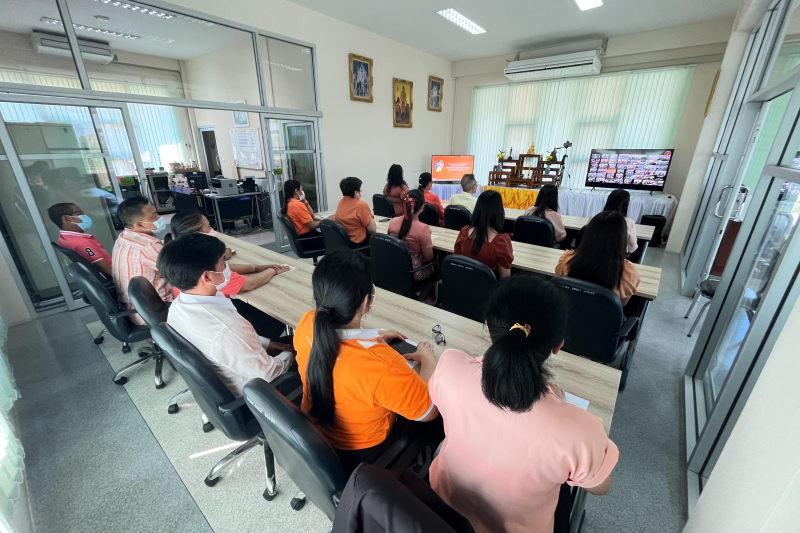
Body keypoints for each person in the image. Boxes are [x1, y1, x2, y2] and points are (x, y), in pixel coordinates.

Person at [429, 275, 618, 533]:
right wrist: (559, 407)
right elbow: (600, 486)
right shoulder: (579, 432)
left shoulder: (450, 366)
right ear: (558, 345)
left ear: (487, 325)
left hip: (440, 509)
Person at [294, 251, 441, 473]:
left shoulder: (307, 322)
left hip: (317, 438)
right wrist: (428, 360)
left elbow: (341, 351)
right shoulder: (381, 364)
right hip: (364, 452)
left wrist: (373, 335)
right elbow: (429, 410)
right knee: (440, 419)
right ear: (365, 301)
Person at [159, 234, 296, 397]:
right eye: (224, 263)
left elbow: (235, 343)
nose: (228, 268)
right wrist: (292, 352)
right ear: (207, 276)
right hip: (259, 394)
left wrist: (268, 343)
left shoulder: (178, 306)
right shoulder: (227, 328)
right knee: (320, 351)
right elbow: (270, 375)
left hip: (236, 372)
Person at [166, 211, 292, 340]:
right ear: (198, 234)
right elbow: (249, 284)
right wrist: (273, 270)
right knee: (277, 316)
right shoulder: (211, 276)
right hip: (221, 317)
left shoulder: (182, 256)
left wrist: (255, 267)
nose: (212, 230)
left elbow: (224, 265)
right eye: (208, 227)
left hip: (203, 310)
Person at [555, 211, 640, 305]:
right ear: (621, 239)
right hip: (603, 318)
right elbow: (622, 304)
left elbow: (561, 289)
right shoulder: (628, 273)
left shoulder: (567, 260)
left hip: (567, 316)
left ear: (588, 234)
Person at [112, 196, 173, 324]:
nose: (159, 218)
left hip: (132, 307)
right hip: (154, 311)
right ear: (139, 224)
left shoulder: (123, 237)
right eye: (154, 216)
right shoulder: (148, 246)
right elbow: (182, 270)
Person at [453, 190, 513, 279]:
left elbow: (457, 261)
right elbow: (505, 277)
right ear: (499, 212)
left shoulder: (464, 232)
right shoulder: (501, 242)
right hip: (488, 291)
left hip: (462, 286)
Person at [47, 202, 113, 279]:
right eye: (79, 213)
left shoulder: (63, 238)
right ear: (66, 218)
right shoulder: (82, 243)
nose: (84, 216)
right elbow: (106, 270)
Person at [387, 189, 435, 281]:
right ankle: (423, 295)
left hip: (394, 266)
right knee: (438, 266)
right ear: (422, 207)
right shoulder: (423, 229)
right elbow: (429, 258)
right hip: (414, 272)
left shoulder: (393, 222)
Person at [333, 177, 376, 246]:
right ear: (356, 192)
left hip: (345, 244)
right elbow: (372, 229)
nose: (361, 191)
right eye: (360, 189)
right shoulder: (361, 205)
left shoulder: (341, 201)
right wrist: (369, 214)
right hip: (359, 245)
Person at [598, 189, 638, 254]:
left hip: (592, 256)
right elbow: (632, 247)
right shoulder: (629, 222)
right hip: (616, 259)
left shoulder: (594, 218)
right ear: (627, 204)